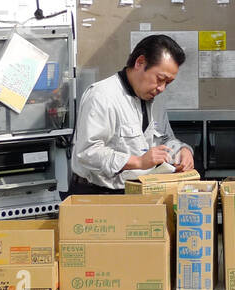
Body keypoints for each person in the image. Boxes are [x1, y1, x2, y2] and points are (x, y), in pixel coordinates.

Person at [67, 33, 195, 195]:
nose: (162, 88)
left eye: (167, 83)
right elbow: (87, 152)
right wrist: (138, 161)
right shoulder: (102, 96)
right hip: (99, 193)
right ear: (140, 62)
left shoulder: (154, 98)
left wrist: (182, 151)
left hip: (139, 189)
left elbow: (164, 139)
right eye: (160, 79)